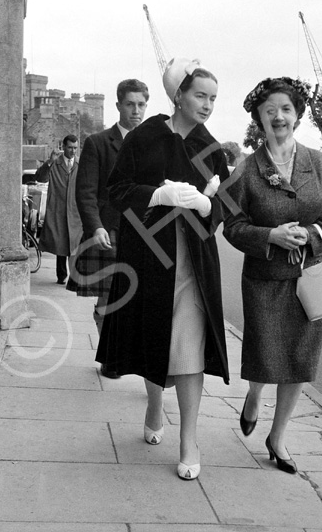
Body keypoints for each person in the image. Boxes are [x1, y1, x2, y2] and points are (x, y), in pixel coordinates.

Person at [95, 58, 230, 481]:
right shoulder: (144, 136)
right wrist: (158, 194)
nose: (207, 105)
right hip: (149, 259)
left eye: (212, 98)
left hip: (194, 264)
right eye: (200, 96)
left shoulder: (212, 149)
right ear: (179, 95)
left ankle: (188, 440)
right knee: (157, 337)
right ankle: (155, 402)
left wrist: (209, 205)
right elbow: (116, 191)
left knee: (189, 345)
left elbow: (223, 207)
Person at [223, 77, 322, 474]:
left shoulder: (319, 162)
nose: (278, 117)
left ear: (296, 115)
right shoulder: (246, 170)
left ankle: (277, 438)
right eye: (269, 111)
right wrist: (271, 236)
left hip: (310, 279)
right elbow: (232, 225)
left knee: (299, 359)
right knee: (264, 355)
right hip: (264, 278)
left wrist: (311, 235)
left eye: (285, 109)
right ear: (258, 119)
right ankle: (254, 394)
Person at [69, 79, 149, 379]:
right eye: (130, 104)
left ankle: (124, 353)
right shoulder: (98, 143)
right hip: (110, 231)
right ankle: (110, 353)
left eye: (141, 104)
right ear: (118, 106)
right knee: (109, 298)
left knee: (137, 298)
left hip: (143, 234)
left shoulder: (152, 145)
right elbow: (86, 191)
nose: (136, 110)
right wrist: (96, 227)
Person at [38, 135, 82, 284]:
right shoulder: (55, 164)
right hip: (58, 210)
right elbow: (41, 178)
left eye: (75, 148)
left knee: (75, 245)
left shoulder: (80, 164)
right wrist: (49, 162)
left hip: (75, 211)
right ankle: (61, 276)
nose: (73, 151)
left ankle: (74, 277)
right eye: (70, 147)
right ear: (63, 147)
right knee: (61, 243)